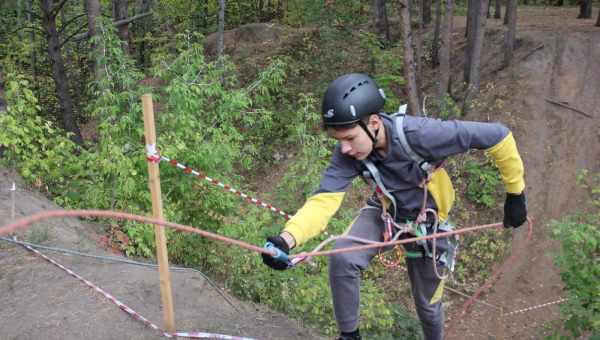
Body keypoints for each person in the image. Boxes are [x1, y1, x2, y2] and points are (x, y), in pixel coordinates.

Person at [261, 73, 527, 340]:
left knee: (427, 307)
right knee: (343, 256)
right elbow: (323, 202)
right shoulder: (350, 153)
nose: (344, 149)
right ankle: (349, 336)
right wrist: (287, 240)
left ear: (374, 123)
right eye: (338, 140)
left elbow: (498, 136)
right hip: (386, 212)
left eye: (350, 138)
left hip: (428, 224)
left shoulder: (422, 134)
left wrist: (516, 193)